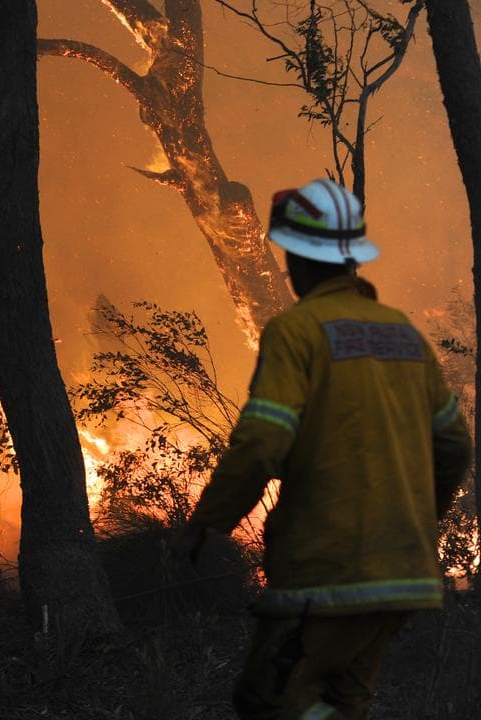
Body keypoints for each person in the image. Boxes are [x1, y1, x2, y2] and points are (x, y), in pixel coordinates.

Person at [180, 178, 472, 719]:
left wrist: (208, 522)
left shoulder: (297, 331)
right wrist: (413, 518)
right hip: (404, 571)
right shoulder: (404, 334)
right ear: (352, 258)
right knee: (342, 703)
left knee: (270, 701)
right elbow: (454, 444)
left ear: (297, 258)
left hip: (329, 569)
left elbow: (263, 439)